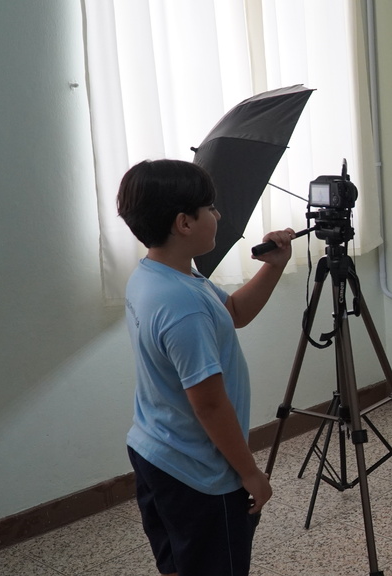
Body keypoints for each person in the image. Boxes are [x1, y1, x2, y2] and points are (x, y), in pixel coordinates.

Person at [117, 159, 296, 576]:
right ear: (184, 222)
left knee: (181, 563)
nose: (217, 215)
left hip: (154, 448)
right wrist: (249, 473)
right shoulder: (182, 307)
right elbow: (210, 406)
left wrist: (274, 264)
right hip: (198, 473)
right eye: (211, 208)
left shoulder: (159, 275)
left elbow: (233, 311)